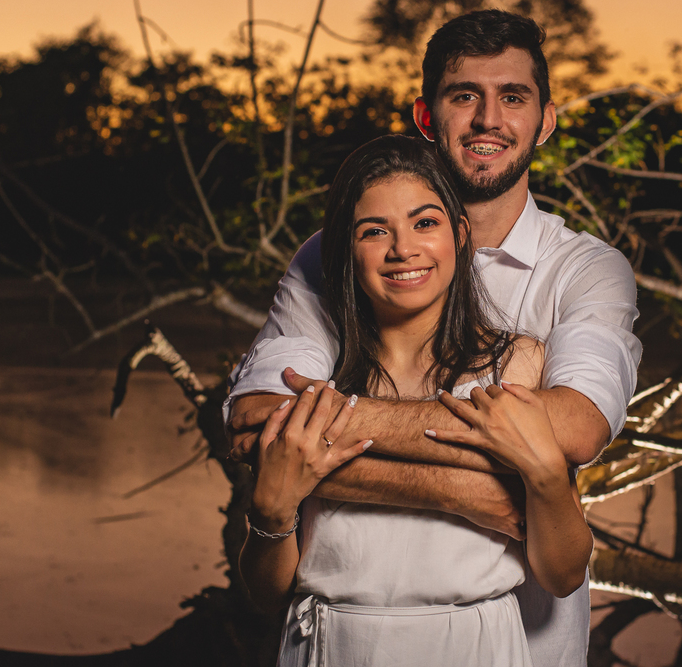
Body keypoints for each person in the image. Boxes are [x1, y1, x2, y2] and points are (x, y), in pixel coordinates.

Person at [228, 10, 642, 666]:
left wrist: (327, 429)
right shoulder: (330, 256)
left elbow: (576, 428)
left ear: (546, 119)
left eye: (513, 97)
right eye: (464, 97)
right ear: (426, 116)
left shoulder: (585, 270)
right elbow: (256, 423)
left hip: (514, 641)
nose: (488, 119)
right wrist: (467, 492)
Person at [240, 135, 593, 666]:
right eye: (374, 231)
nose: (403, 249)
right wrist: (270, 512)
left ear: (460, 234)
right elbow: (266, 593)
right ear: (345, 250)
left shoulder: (517, 365)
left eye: (425, 223)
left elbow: (563, 575)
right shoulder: (319, 375)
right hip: (328, 645)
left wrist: (545, 477)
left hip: (473, 647)